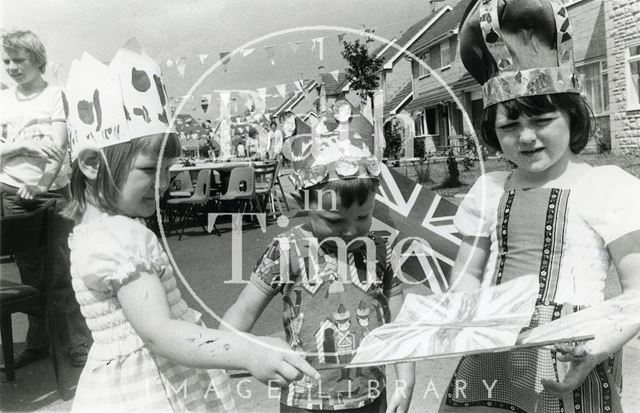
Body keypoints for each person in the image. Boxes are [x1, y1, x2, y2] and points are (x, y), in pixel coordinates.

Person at [63, 41, 319, 412]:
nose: (163, 183)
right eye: (150, 170)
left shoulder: (93, 234)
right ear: (91, 163)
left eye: (167, 171)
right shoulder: (123, 239)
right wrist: (248, 351)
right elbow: (162, 333)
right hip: (153, 393)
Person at [441, 1, 640, 412]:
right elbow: (466, 276)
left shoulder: (605, 187)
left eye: (543, 120)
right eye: (509, 125)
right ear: (493, 130)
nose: (526, 137)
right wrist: (459, 318)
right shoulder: (488, 190)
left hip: (571, 357)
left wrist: (597, 347)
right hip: (491, 356)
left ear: (571, 116)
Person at [222, 107, 415, 412]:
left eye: (363, 216)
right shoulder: (288, 249)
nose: (351, 231)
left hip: (370, 398)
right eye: (335, 221)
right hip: (305, 402)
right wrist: (226, 353)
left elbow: (399, 320)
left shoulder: (380, 250)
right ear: (304, 202)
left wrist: (405, 379)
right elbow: (243, 311)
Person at [0, 30, 91, 368]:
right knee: (31, 275)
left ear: (37, 60)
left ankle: (76, 341)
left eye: (19, 60)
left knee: (63, 271)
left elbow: (60, 147)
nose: (11, 67)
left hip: (52, 194)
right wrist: (22, 147)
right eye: (7, 60)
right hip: (12, 195)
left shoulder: (55, 95)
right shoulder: (2, 100)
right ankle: (40, 341)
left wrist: (42, 183)